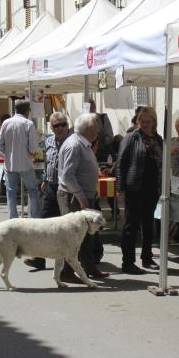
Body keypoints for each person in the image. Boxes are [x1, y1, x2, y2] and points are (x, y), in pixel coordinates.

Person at [57, 112, 109, 279]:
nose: (98, 130)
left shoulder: (82, 143)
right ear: (89, 129)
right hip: (73, 197)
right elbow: (68, 175)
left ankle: (88, 267)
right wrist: (81, 197)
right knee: (72, 236)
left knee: (85, 235)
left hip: (82, 196)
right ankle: (66, 272)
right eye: (96, 127)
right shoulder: (74, 145)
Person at [117, 106, 163, 274]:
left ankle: (147, 258)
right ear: (138, 122)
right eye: (142, 121)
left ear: (154, 122)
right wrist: (120, 187)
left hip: (153, 188)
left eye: (147, 122)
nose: (144, 124)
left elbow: (163, 165)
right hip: (134, 187)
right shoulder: (131, 138)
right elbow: (121, 163)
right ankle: (128, 262)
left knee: (149, 223)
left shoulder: (158, 139)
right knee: (131, 225)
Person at [24, 112, 72, 271]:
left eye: (63, 124)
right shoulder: (49, 141)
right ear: (51, 127)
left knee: (67, 226)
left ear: (67, 125)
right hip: (51, 186)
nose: (60, 128)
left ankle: (77, 260)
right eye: (56, 126)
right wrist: (45, 179)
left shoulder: (72, 141)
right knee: (43, 224)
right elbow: (48, 162)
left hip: (66, 189)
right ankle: (39, 259)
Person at [0, 101, 41, 219]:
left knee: (10, 192)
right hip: (26, 164)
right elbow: (33, 147)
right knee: (33, 191)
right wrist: (31, 155)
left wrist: (7, 155)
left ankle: (13, 218)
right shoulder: (29, 124)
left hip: (10, 164)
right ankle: (35, 218)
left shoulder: (6, 123)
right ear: (27, 111)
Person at [88, 98, 114, 163]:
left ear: (94, 107)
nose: (89, 110)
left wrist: (99, 143)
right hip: (87, 155)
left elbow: (110, 137)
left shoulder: (103, 118)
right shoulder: (81, 121)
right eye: (87, 108)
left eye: (91, 107)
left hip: (101, 155)